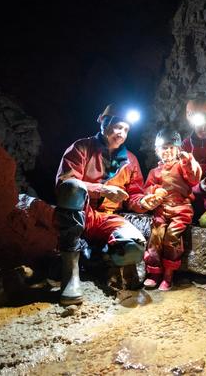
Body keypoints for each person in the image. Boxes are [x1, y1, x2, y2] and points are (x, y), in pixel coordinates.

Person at [54, 104, 147, 306]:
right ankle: (70, 274)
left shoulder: (130, 160)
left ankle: (95, 257)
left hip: (106, 218)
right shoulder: (81, 147)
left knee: (134, 247)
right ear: (104, 122)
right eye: (117, 127)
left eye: (126, 129)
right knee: (73, 187)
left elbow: (134, 195)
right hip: (80, 211)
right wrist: (102, 190)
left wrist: (144, 202)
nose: (121, 133)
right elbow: (64, 184)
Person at [139, 129, 202, 291]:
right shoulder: (155, 172)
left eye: (171, 147)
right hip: (161, 209)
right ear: (157, 151)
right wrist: (154, 193)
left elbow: (194, 178)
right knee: (156, 235)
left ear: (178, 149)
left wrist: (188, 161)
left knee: (172, 235)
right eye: (163, 148)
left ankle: (168, 274)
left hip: (181, 208)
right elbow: (147, 190)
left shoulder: (182, 166)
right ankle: (153, 272)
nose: (167, 151)